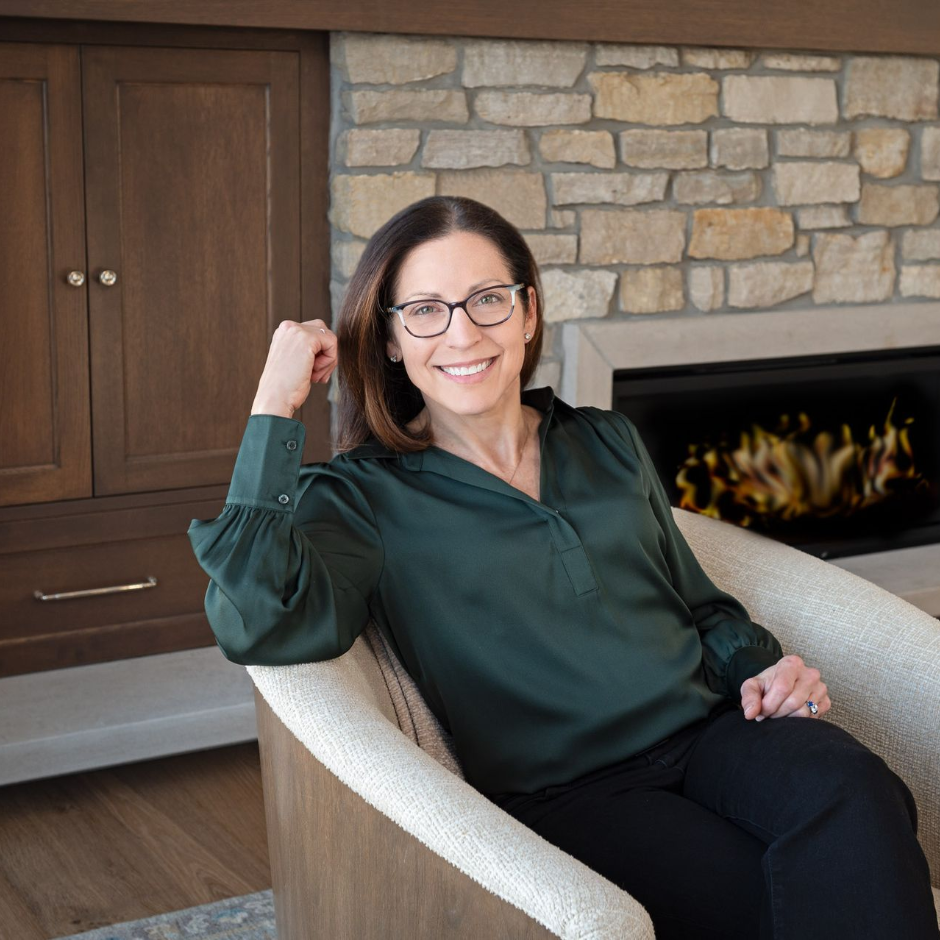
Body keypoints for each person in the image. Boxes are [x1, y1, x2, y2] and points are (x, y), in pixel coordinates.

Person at [187, 195, 939, 939]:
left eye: (487, 300)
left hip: (720, 729)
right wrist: (274, 404)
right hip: (576, 793)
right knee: (764, 900)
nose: (462, 332)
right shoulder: (362, 496)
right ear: (390, 339)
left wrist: (762, 669)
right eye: (425, 310)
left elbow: (699, 604)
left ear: (528, 312)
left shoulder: (606, 442)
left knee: (863, 793)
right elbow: (259, 622)